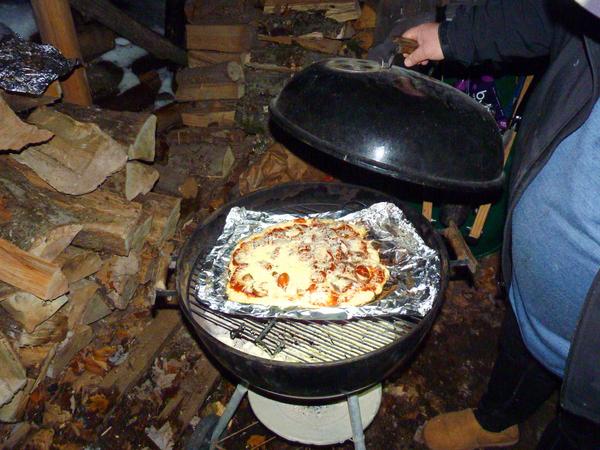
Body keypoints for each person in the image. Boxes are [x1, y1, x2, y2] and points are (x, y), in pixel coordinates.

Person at [396, 0, 600, 449]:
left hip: (594, 367)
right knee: (522, 346)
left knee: (577, 433)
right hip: (535, 290)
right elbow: (550, 17)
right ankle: (497, 422)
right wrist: (448, 37)